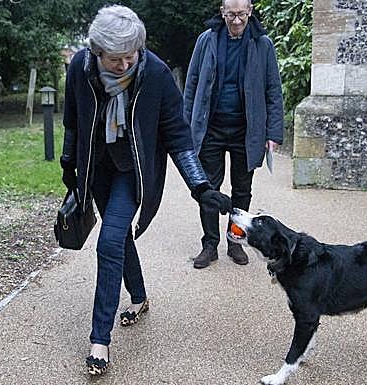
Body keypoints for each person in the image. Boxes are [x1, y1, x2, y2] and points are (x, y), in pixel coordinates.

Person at [60, 5, 231, 376]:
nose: (124, 65)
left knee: (108, 242)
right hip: (96, 167)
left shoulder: (154, 74)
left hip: (134, 172)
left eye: (130, 56)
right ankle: (139, 298)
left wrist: (200, 185)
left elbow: (178, 136)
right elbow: (72, 116)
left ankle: (99, 340)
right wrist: (67, 163)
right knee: (119, 238)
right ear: (96, 53)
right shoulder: (80, 67)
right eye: (115, 59)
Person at [184, 0, 284, 269]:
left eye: (241, 14)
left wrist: (273, 132)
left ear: (250, 11)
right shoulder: (207, 40)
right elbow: (191, 84)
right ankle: (209, 245)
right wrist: (185, 127)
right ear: (222, 13)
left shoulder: (263, 44)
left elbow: (273, 91)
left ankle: (235, 241)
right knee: (208, 189)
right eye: (231, 14)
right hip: (211, 128)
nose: (236, 20)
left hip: (246, 131)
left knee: (242, 190)